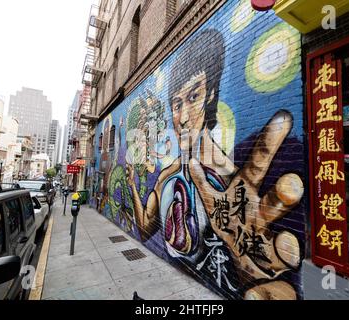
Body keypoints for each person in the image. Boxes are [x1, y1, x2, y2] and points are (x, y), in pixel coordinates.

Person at [126, 29, 303, 299]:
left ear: (210, 95)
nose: (183, 117)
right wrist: (132, 186)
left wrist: (254, 274)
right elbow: (144, 227)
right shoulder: (168, 175)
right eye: (175, 104)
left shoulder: (234, 178)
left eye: (193, 97)